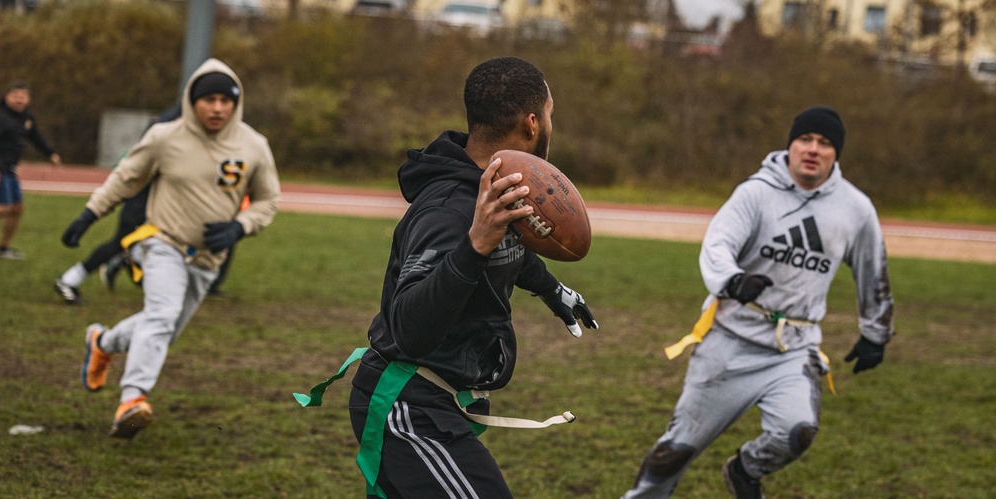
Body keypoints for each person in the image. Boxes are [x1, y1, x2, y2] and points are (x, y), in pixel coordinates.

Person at [346, 56, 598, 497]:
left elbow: (504, 252)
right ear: (533, 123)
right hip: (409, 407)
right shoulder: (450, 210)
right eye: (552, 115)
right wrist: (475, 244)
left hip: (435, 402)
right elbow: (408, 328)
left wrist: (550, 288)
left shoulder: (494, 191)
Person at [622, 106, 895, 498]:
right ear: (790, 145)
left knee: (797, 431)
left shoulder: (855, 208)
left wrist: (876, 333)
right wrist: (733, 281)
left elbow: (874, 270)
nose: (813, 149)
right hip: (728, 342)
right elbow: (717, 244)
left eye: (825, 143)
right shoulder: (756, 192)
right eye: (805, 139)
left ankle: (745, 471)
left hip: (793, 349)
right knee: (676, 451)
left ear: (837, 154)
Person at [60, 59, 280, 438]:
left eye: (225, 100)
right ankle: (131, 399)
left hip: (209, 259)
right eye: (207, 99)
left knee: (163, 330)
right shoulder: (165, 137)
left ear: (236, 103)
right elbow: (125, 179)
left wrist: (238, 228)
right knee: (160, 316)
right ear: (191, 101)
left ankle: (103, 342)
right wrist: (88, 214)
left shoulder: (254, 145)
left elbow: (268, 201)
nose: (216, 108)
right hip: (161, 243)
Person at [54, 104, 181, 304]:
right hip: (144, 198)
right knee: (122, 242)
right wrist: (88, 216)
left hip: (157, 200)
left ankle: (124, 263)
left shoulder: (181, 122)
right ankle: (70, 279)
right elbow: (133, 171)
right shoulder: (169, 125)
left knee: (148, 245)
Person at [0, 82, 61, 260]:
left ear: (28, 99)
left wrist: (50, 153)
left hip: (11, 169)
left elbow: (35, 137)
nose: (19, 99)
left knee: (17, 208)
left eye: (23, 96)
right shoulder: (0, 118)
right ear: (6, 97)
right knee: (3, 207)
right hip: (0, 169)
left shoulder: (26, 118)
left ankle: (3, 249)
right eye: (15, 95)